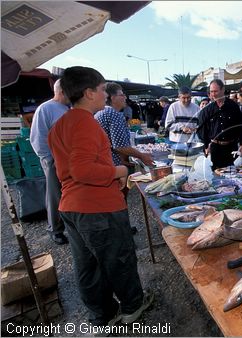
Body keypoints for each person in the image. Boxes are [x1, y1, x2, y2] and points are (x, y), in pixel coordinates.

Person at [47, 66, 153, 328]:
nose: (106, 94)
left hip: (72, 206)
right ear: (88, 92)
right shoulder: (86, 124)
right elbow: (82, 169)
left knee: (88, 266)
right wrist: (119, 170)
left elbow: (67, 169)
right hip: (97, 207)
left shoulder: (60, 125)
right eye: (104, 89)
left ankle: (103, 314)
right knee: (119, 259)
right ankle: (132, 307)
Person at [95, 82, 154, 201]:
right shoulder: (113, 113)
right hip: (113, 166)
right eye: (122, 95)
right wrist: (142, 156)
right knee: (118, 201)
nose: (125, 97)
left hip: (105, 164)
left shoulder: (101, 112)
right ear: (112, 98)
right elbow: (120, 146)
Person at [30, 79, 70, 245]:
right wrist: (48, 159)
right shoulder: (45, 109)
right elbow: (37, 137)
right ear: (61, 91)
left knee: (69, 194)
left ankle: (72, 225)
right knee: (55, 195)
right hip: (54, 160)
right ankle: (55, 229)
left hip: (71, 160)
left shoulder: (69, 108)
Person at [197, 79, 242, 169]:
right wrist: (206, 145)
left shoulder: (233, 107)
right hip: (215, 149)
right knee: (215, 176)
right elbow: (202, 130)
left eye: (216, 91)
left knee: (232, 176)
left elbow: (241, 127)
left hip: (231, 148)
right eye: (211, 92)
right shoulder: (207, 110)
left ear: (223, 90)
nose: (213, 94)